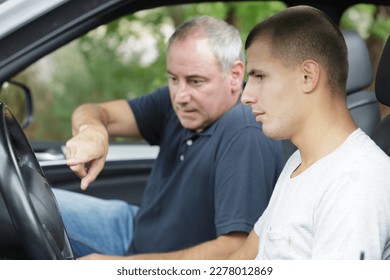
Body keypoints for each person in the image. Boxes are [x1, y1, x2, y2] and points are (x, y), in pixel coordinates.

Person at [52, 16, 285, 260]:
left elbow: (236, 252)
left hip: (159, 260)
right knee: (31, 201)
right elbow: (96, 112)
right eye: (173, 78)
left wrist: (120, 267)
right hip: (133, 226)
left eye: (196, 81)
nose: (181, 95)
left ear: (235, 75)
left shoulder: (245, 131)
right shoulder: (180, 102)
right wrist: (93, 130)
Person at [228, 5, 390, 260]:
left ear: (308, 76)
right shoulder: (300, 162)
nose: (246, 97)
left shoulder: (356, 180)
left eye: (260, 76)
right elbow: (244, 260)